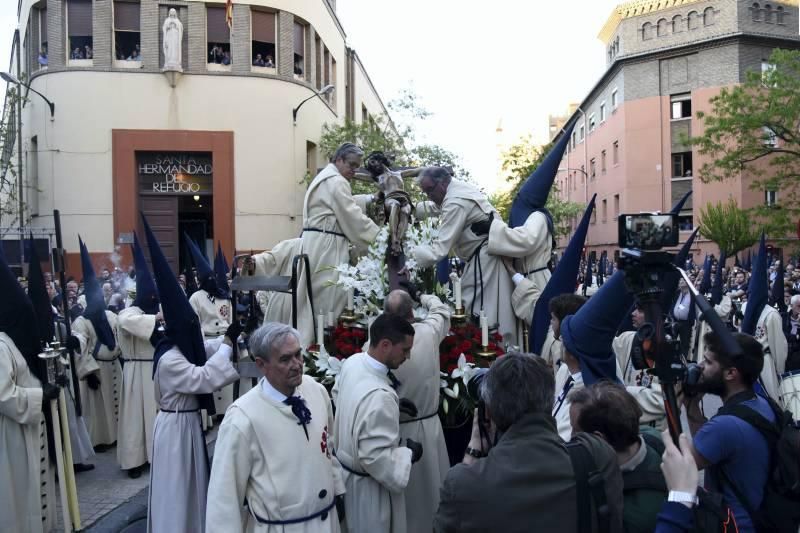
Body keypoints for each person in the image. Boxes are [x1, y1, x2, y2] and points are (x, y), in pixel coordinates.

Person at [433, 352, 624, 533]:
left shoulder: (463, 484)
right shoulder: (596, 457)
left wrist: (473, 452)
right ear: (550, 401)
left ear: (488, 413)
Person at [142, 216, 241, 533]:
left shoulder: (178, 346)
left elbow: (203, 346)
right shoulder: (170, 359)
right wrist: (226, 346)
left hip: (185, 425)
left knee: (191, 485)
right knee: (177, 488)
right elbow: (201, 377)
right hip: (174, 430)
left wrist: (227, 339)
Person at [207, 323, 345, 531]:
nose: (297, 364)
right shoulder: (242, 418)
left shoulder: (317, 391)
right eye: (285, 359)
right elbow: (224, 497)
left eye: (298, 355)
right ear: (261, 365)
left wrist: (337, 490)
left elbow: (328, 448)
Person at [254, 143, 379, 345]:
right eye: (352, 165)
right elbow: (351, 215)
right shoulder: (337, 182)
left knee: (314, 299)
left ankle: (314, 343)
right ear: (338, 160)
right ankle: (320, 345)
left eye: (357, 166)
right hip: (328, 248)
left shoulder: (324, 179)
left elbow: (338, 205)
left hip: (317, 243)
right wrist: (380, 239)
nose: (354, 171)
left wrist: (369, 199)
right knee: (329, 301)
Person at [332, 313, 419, 533]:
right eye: (405, 350)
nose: (408, 357)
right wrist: (407, 452)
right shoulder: (380, 396)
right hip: (369, 494)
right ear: (386, 344)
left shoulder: (353, 362)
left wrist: (388, 410)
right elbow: (374, 457)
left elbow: (340, 396)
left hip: (345, 480)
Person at [412, 166, 517, 345]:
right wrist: (412, 208)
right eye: (424, 192)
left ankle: (486, 352)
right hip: (485, 256)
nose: (428, 195)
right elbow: (435, 206)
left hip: (484, 261)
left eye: (429, 190)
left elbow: (440, 249)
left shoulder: (455, 202)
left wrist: (409, 256)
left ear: (443, 183)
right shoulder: (459, 189)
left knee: (478, 311)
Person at [683, 331, 773, 532]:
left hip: (733, 526)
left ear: (731, 373)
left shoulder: (725, 426)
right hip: (763, 521)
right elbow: (709, 450)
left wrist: (672, 399)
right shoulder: (762, 405)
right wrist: (693, 407)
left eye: (707, 362)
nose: (700, 368)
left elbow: (678, 467)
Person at [383, 288, 451, 532]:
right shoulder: (429, 331)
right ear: (412, 311)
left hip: (394, 432)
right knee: (430, 496)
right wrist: (423, 295)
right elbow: (442, 310)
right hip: (427, 428)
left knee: (406, 503)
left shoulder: (379, 345)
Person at [0, 248, 56, 533]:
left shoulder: (8, 341)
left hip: (23, 429)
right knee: (16, 493)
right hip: (9, 433)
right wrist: (39, 396)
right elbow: (4, 395)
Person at [569, 381, 667, 533]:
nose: (570, 438)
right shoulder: (651, 436)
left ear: (599, 439)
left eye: (575, 431)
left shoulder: (634, 517)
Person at [116, 234, 161, 478]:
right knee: (135, 420)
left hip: (153, 370)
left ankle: (154, 457)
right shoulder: (130, 311)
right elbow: (126, 322)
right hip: (135, 371)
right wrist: (155, 319)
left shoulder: (157, 310)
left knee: (153, 418)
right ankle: (133, 461)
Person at [71, 238, 121, 449]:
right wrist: (89, 373)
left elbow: (119, 335)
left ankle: (119, 435)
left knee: (116, 404)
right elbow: (80, 348)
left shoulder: (110, 316)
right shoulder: (81, 321)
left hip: (115, 366)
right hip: (97, 369)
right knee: (100, 409)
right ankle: (101, 440)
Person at [186, 237, 234, 416]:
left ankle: (226, 412)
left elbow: (230, 317)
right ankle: (210, 416)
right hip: (207, 340)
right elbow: (195, 322)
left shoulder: (224, 296)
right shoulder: (196, 298)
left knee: (226, 379)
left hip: (225, 340)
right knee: (211, 377)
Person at [613, 303, 667, 427]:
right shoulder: (628, 338)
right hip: (624, 424)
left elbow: (661, 400)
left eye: (640, 310)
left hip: (654, 433)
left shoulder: (668, 349)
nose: (633, 313)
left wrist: (620, 393)